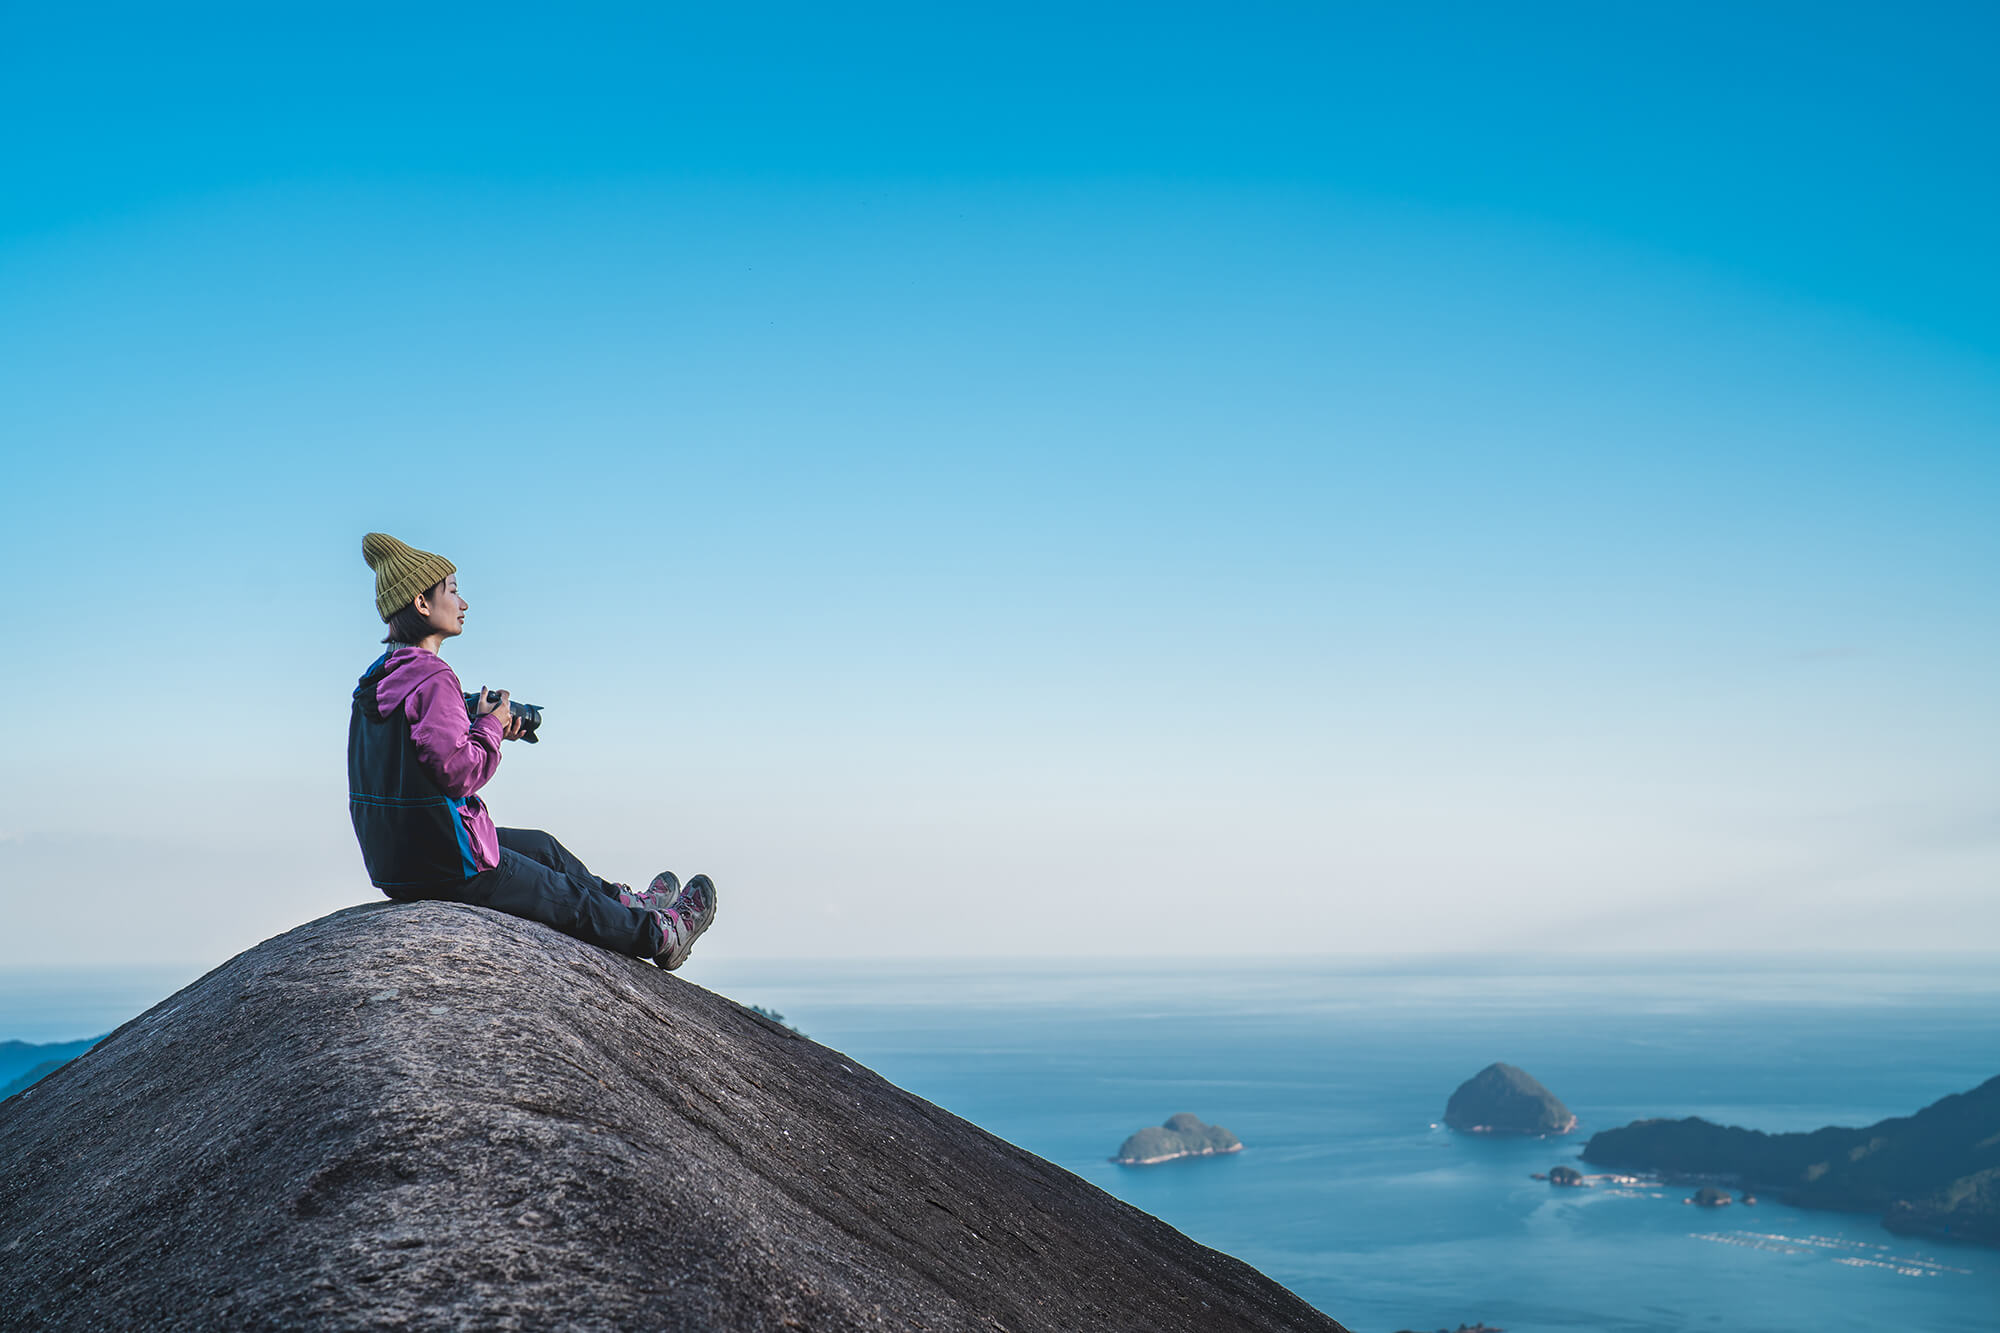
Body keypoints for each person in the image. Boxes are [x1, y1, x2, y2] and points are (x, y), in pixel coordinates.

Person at [348, 532, 716, 969]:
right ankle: (659, 935)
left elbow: (414, 745)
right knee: (565, 897)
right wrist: (491, 725)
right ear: (421, 603)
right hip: (446, 861)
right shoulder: (432, 676)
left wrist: (479, 717)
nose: (463, 603)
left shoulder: (380, 678)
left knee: (542, 848)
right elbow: (459, 772)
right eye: (452, 590)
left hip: (400, 858)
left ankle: (628, 902)